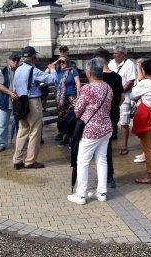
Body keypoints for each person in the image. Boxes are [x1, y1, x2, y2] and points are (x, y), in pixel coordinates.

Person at [67, 58, 113, 205]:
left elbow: (78, 111)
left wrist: (75, 103)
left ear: (89, 72)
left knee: (83, 161)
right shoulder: (108, 87)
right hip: (106, 128)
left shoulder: (87, 88)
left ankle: (81, 195)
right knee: (102, 159)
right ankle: (102, 192)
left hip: (91, 130)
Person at [12, 46, 57, 169]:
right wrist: (52, 69)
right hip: (32, 102)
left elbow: (14, 87)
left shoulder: (18, 70)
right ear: (33, 57)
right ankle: (30, 161)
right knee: (34, 132)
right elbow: (53, 79)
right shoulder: (34, 70)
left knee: (22, 131)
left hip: (21, 101)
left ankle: (17, 159)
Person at [94, 47, 124, 189]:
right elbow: (121, 98)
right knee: (107, 145)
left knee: (98, 146)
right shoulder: (116, 77)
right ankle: (108, 176)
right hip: (112, 114)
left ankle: (106, 176)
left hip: (98, 116)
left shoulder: (95, 78)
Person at [108, 44, 136, 153]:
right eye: (113, 53)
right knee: (110, 120)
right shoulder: (110, 63)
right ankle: (109, 141)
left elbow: (130, 81)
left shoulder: (129, 64)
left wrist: (118, 91)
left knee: (124, 122)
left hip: (124, 97)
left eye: (116, 53)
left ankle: (124, 146)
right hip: (111, 97)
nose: (114, 55)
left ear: (123, 54)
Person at [0, 53, 21, 152]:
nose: (16, 62)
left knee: (20, 123)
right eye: (14, 60)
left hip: (18, 100)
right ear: (8, 60)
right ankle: (2, 143)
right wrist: (10, 92)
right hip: (6, 101)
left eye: (18, 60)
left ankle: (20, 142)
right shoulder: (3, 70)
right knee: (3, 124)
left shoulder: (20, 70)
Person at [54, 55, 81, 146]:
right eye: (60, 62)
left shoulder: (72, 71)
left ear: (67, 62)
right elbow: (46, 71)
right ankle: (65, 137)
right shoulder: (57, 71)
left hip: (71, 97)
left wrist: (78, 96)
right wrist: (56, 61)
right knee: (62, 117)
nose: (61, 63)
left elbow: (78, 84)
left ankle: (72, 137)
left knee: (71, 118)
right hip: (60, 99)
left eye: (63, 62)